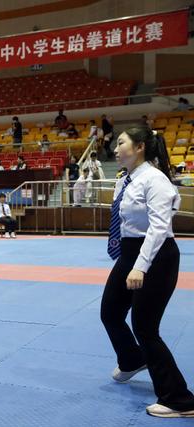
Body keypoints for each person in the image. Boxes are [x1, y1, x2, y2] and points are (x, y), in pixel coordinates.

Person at [100, 127, 194, 418]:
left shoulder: (155, 180)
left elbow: (159, 228)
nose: (115, 149)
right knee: (110, 312)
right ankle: (132, 360)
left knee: (145, 328)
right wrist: (129, 261)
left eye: (121, 143)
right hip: (129, 252)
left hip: (157, 255)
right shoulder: (124, 180)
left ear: (139, 147)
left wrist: (140, 267)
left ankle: (180, 400)